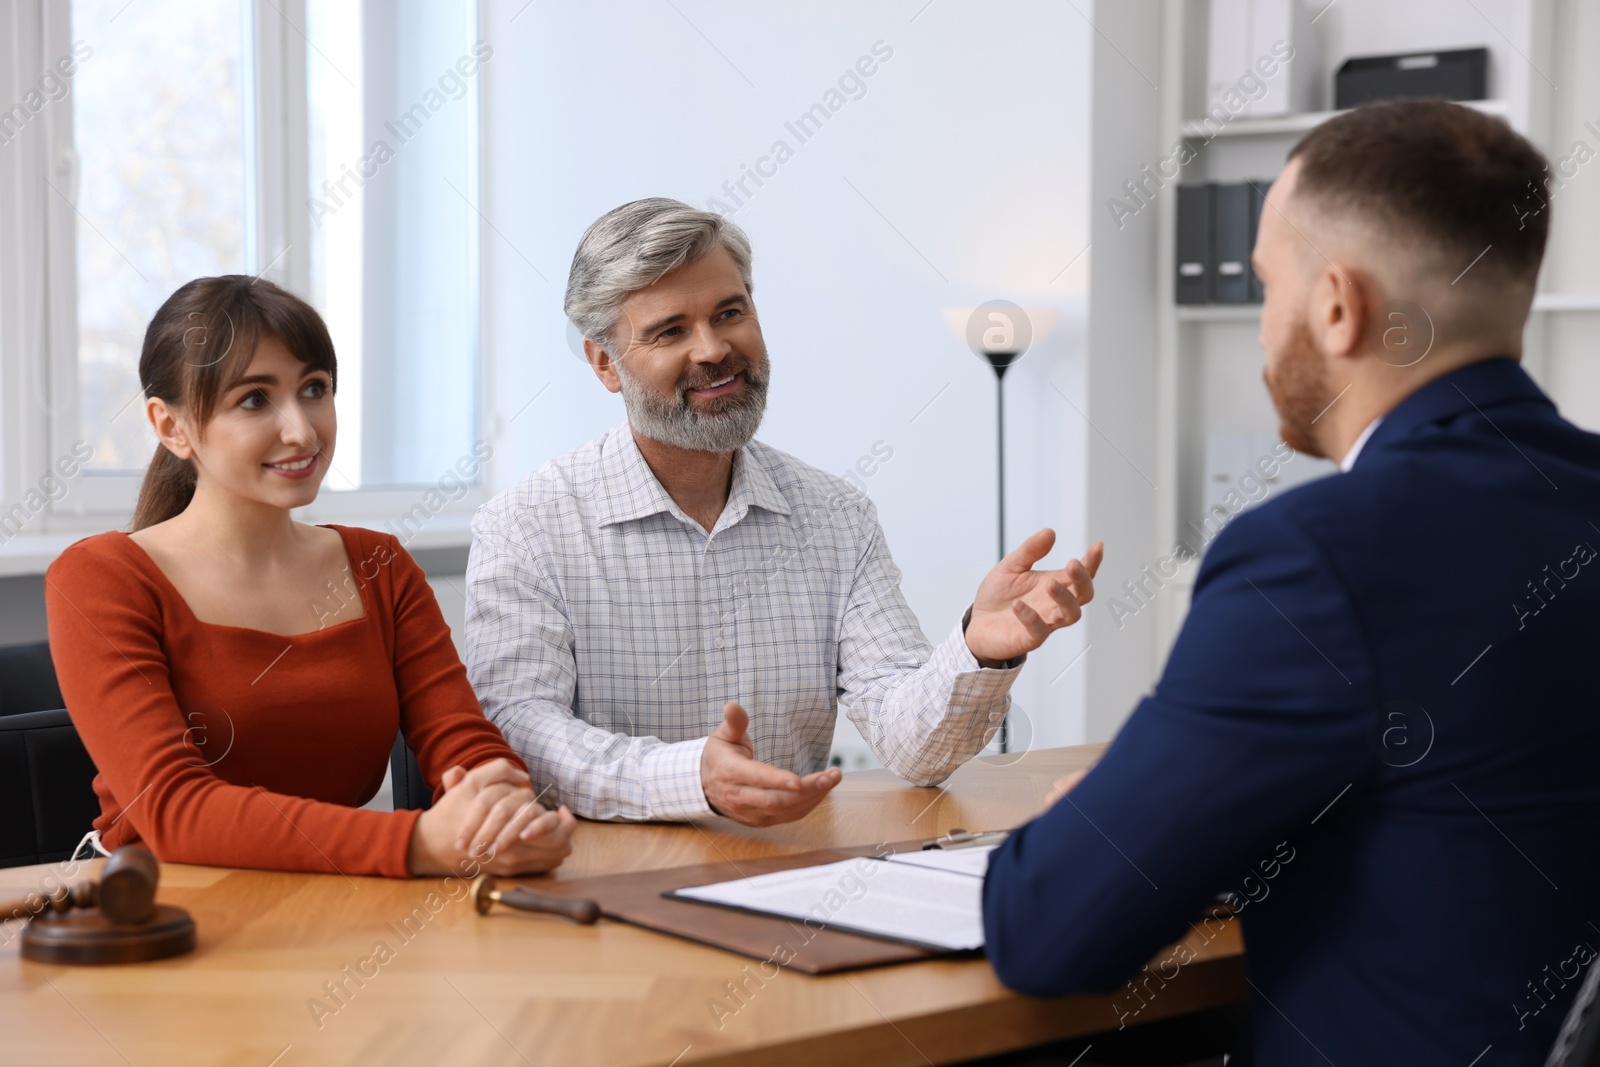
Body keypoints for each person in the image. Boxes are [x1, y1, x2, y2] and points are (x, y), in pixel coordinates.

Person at [982, 99, 1600, 1063]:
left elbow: (1050, 929)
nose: (1266, 332)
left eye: (1269, 286)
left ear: (1339, 305)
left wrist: (1101, 813)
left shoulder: (1319, 552)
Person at [466, 198, 1103, 825]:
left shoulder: (837, 516)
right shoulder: (524, 528)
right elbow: (520, 734)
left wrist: (978, 651)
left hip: (788, 873)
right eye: (671, 331)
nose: (713, 349)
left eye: (730, 312)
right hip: (601, 883)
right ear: (605, 362)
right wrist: (694, 778)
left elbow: (915, 751)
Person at [45, 276, 576, 878]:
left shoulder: (381, 564)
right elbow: (173, 810)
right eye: (254, 400)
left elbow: (463, 741)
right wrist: (418, 843)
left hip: (342, 894)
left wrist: (507, 814)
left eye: (314, 389)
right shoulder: (99, 578)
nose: (302, 430)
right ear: (171, 428)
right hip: (163, 911)